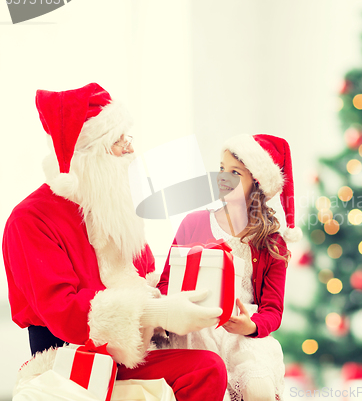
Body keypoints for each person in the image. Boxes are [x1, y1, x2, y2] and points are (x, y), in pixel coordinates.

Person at [2, 83, 227, 401]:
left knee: (209, 366)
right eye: (120, 142)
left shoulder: (114, 209)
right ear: (91, 153)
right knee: (207, 369)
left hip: (127, 356)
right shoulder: (30, 219)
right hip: (67, 363)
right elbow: (65, 312)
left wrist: (201, 300)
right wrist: (156, 313)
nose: (131, 150)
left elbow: (148, 280)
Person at [158, 134, 302, 401]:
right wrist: (175, 307)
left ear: (256, 183)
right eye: (222, 168)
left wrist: (249, 326)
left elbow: (273, 310)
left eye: (235, 172)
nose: (223, 178)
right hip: (195, 329)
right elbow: (166, 282)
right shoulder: (195, 223)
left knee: (258, 389)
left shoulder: (272, 243)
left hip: (241, 334)